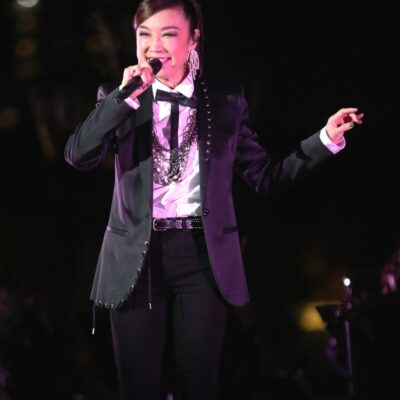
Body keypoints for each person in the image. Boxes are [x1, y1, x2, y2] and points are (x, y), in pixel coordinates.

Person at [64, 0, 364, 398]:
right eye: (144, 35)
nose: (154, 46)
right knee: (138, 387)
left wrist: (325, 139)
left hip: (201, 257)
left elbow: (266, 177)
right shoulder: (120, 98)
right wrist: (123, 99)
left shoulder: (225, 101)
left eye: (168, 34)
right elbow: (78, 155)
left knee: (199, 385)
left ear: (193, 40)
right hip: (137, 256)